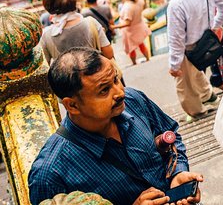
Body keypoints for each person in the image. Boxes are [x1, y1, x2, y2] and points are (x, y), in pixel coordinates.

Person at [28, 48, 202, 205]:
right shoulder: (50, 175)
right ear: (72, 105)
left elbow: (170, 134)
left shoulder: (133, 100)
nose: (120, 92)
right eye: (104, 90)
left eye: (116, 79)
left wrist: (177, 173)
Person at [161, 0, 223, 119]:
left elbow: (176, 39)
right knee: (194, 73)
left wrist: (174, 65)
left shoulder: (175, 4)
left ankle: (197, 112)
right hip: (208, 41)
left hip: (190, 47)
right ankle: (208, 96)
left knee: (183, 83)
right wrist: (217, 25)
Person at [38, 0, 115, 65]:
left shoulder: (46, 34)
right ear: (74, 0)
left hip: (66, 77)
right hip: (95, 75)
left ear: (47, 4)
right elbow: (109, 54)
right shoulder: (91, 23)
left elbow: (45, 66)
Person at [115, 0, 151, 65]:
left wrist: (114, 26)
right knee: (141, 44)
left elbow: (128, 23)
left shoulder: (128, 6)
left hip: (130, 31)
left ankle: (134, 63)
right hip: (139, 25)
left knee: (131, 48)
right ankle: (147, 58)